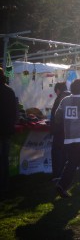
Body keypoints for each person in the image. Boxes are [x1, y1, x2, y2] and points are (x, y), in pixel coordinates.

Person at [0, 68, 17, 196]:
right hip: (7, 129)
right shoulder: (10, 91)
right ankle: (5, 185)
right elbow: (15, 111)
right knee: (4, 158)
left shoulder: (8, 91)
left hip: (3, 129)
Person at [50, 82, 71, 181]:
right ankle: (64, 173)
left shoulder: (61, 98)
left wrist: (54, 126)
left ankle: (57, 174)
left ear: (58, 90)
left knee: (57, 152)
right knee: (65, 153)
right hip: (67, 129)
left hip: (60, 130)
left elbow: (57, 115)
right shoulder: (70, 96)